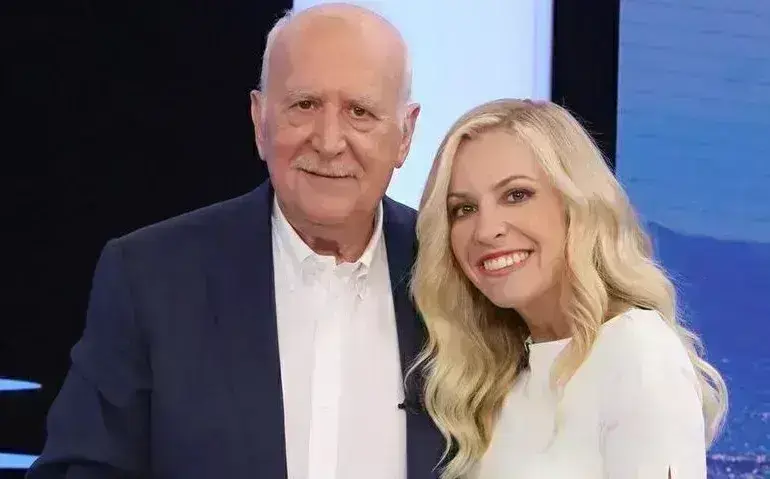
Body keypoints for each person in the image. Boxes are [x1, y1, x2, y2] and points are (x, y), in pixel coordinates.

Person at [28, 4, 445, 478]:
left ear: (405, 134)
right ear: (259, 120)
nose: (329, 142)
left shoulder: (452, 272)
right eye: (304, 105)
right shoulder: (151, 278)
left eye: (360, 112)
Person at [410, 98, 728, 479]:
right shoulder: (498, 373)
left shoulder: (637, 353)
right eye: (464, 209)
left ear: (576, 204)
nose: (486, 230)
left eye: (516, 195)